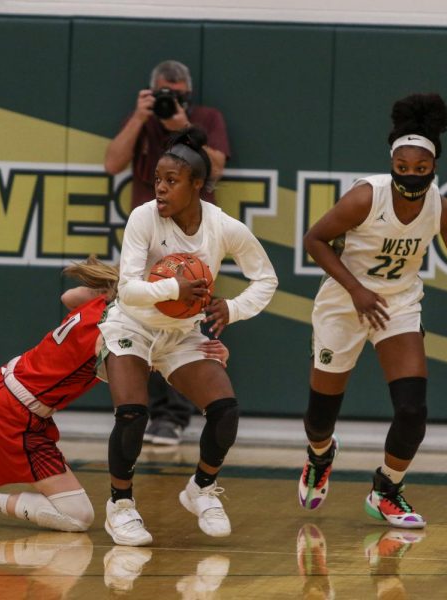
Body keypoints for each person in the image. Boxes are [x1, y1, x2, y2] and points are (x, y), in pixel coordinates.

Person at [0, 256, 231, 531]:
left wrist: (114, 288)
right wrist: (200, 352)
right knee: (77, 517)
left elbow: (69, 298)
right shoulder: (118, 338)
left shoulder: (105, 303)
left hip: (6, 380)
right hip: (21, 412)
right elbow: (156, 365)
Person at [297, 93, 447, 529]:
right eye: (403, 169)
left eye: (421, 170)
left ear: (434, 167)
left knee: (413, 409)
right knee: (321, 415)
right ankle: (320, 457)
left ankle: (386, 490)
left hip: (397, 303)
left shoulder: (441, 208)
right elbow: (314, 240)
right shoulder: (366, 197)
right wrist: (357, 289)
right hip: (345, 301)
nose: (412, 177)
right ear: (392, 163)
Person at [98, 127, 278, 546]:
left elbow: (265, 279)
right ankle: (120, 506)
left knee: (226, 410)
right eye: (157, 179)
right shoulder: (144, 217)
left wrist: (232, 309)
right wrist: (172, 290)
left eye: (171, 181)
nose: (160, 188)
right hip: (133, 324)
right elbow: (126, 289)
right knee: (132, 414)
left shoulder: (224, 227)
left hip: (181, 333)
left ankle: (201, 488)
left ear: (198, 185)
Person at [104, 59, 232, 446]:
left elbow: (219, 166)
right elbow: (112, 163)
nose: (168, 100)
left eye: (175, 95)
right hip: (146, 235)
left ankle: (176, 415)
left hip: (192, 237)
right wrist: (140, 117)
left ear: (187, 95)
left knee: (185, 314)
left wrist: (180, 126)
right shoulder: (141, 120)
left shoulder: (205, 118)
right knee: (135, 313)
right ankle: (142, 409)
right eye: (162, 94)